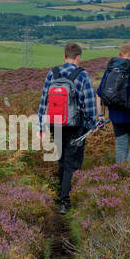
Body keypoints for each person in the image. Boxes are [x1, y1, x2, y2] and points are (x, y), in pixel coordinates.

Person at [37, 42, 97, 212]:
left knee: (61, 159)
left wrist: (41, 127)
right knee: (72, 162)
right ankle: (65, 201)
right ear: (78, 58)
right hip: (74, 126)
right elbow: (89, 103)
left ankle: (60, 195)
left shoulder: (52, 73)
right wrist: (92, 124)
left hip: (54, 124)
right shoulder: (82, 75)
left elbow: (44, 102)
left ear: (64, 57)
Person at [97, 44, 130, 164]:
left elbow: (99, 95)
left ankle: (120, 173)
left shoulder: (110, 70)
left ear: (120, 55)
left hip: (116, 116)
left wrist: (101, 116)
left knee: (120, 145)